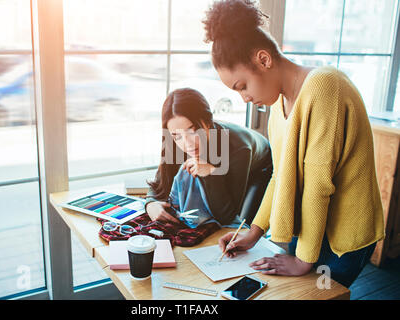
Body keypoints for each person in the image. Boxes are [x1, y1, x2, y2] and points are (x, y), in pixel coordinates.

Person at [204, 0, 385, 287]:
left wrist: (303, 261)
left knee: (317, 294)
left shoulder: (325, 87)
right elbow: (280, 176)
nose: (245, 98)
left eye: (242, 87)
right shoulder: (278, 106)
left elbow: (318, 184)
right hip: (311, 229)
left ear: (264, 59)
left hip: (342, 237)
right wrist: (254, 232)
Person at [145, 87, 272, 229]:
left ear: (208, 121)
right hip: (225, 156)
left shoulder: (238, 149)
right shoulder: (175, 140)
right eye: (177, 136)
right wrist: (150, 204)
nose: (188, 144)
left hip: (260, 167)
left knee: (242, 228)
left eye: (192, 131)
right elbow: (159, 183)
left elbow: (227, 216)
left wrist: (211, 173)